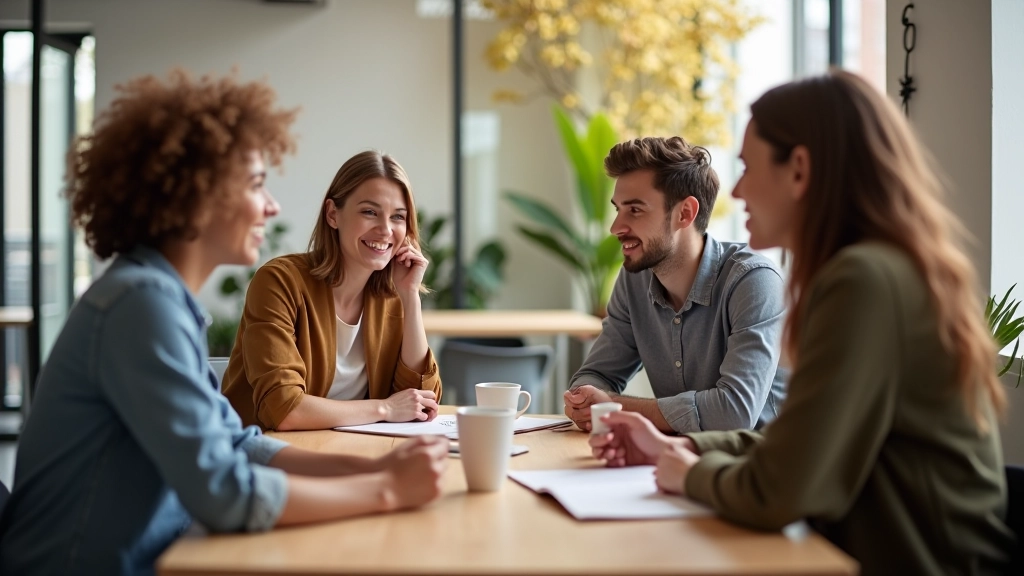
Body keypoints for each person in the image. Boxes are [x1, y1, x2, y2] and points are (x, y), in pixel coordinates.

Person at [0, 72, 449, 576]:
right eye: (257, 184)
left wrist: (372, 467)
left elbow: (237, 443)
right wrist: (385, 489)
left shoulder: (161, 300)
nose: (273, 206)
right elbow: (224, 491)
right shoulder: (139, 307)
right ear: (197, 195)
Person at [590, 70, 1014, 574]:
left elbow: (781, 489)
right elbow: (796, 440)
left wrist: (690, 473)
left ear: (800, 168)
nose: (740, 190)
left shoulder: (863, 280)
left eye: (749, 167)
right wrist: (678, 445)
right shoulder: (871, 269)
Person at [564, 136, 787, 434]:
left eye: (635, 210)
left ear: (685, 213)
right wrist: (584, 398)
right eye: (618, 209)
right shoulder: (634, 281)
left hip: (756, 469)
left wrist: (611, 406)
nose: (616, 227)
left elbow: (734, 413)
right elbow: (595, 375)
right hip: (673, 458)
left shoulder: (753, 281)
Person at [222, 150, 441, 431]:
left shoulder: (394, 295)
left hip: (351, 453)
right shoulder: (279, 282)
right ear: (333, 214)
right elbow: (284, 408)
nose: (386, 229)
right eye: (369, 212)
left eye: (398, 217)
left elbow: (420, 402)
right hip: (263, 457)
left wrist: (410, 298)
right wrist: (385, 408)